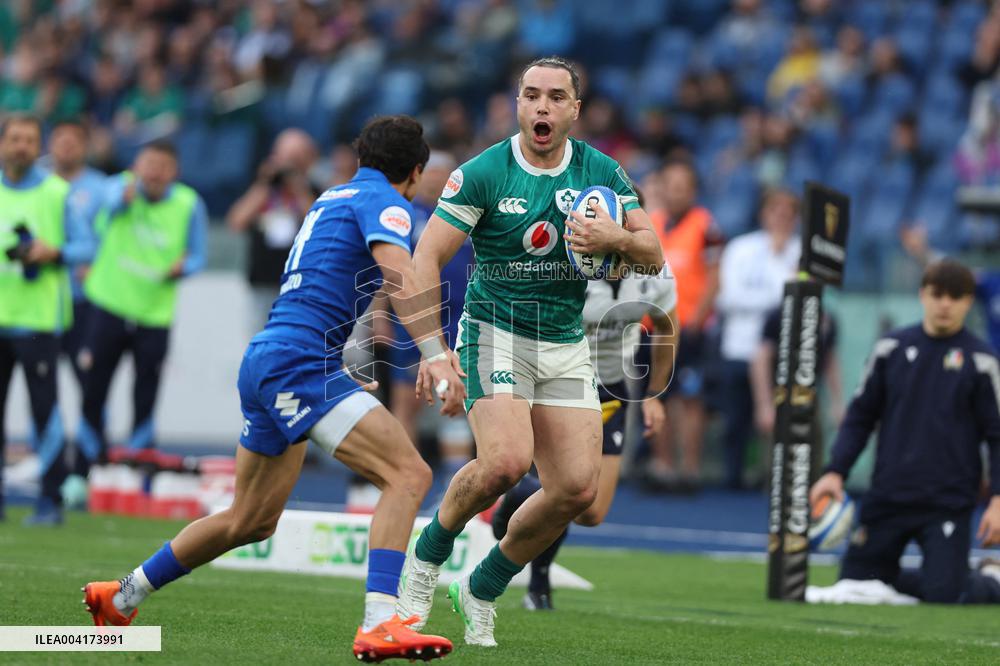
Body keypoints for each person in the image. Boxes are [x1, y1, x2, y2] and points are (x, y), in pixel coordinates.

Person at [83, 116, 459, 662]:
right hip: (301, 362)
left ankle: (121, 595)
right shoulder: (388, 202)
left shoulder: (333, 195)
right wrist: (435, 353)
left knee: (251, 519)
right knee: (410, 473)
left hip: (270, 357)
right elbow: (399, 274)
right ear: (416, 172)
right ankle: (380, 623)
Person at [396, 56, 664, 647]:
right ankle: (425, 559)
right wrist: (431, 348)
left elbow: (652, 254)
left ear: (574, 110)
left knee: (576, 490)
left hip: (566, 340)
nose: (541, 107)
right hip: (494, 331)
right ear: (518, 105)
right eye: (530, 95)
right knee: (505, 463)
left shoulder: (603, 174)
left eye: (554, 97)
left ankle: (482, 587)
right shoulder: (483, 173)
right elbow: (424, 257)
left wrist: (613, 238)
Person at [492, 255, 678, 610]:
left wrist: (655, 393)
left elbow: (666, 324)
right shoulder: (562, 267)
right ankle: (539, 583)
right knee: (564, 488)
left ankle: (520, 492)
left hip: (611, 386)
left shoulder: (656, 271)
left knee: (591, 512)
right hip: (560, 381)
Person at [811, 259, 1000, 604]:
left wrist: (998, 500)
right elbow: (860, 417)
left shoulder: (982, 361)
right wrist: (835, 472)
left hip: (947, 502)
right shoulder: (890, 349)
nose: (945, 304)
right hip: (887, 497)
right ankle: (941, 576)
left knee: (945, 596)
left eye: (955, 296)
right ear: (922, 295)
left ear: (968, 302)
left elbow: (997, 436)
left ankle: (989, 578)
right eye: (937, 294)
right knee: (857, 586)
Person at [75, 141, 207, 472]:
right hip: (108, 305)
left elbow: (198, 255)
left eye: (163, 165)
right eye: (148, 163)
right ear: (136, 165)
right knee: (94, 387)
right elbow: (100, 218)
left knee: (145, 392)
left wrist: (183, 268)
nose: (154, 171)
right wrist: (122, 198)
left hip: (154, 313)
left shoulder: (189, 203)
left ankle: (138, 466)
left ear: (174, 172)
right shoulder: (118, 189)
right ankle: (86, 466)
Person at [0, 114, 93, 524]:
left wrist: (52, 252)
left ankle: (50, 501)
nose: (22, 146)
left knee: (44, 414)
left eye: (29, 140)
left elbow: (88, 245)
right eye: (14, 139)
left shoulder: (58, 192)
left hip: (38, 322)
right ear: (3, 144)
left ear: (38, 147)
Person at [385, 150, 474, 484]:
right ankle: (402, 475)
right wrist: (381, 313)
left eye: (444, 175)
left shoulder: (467, 214)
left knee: (458, 395)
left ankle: (459, 482)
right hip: (414, 316)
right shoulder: (404, 215)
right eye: (433, 174)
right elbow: (388, 269)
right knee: (406, 400)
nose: (438, 180)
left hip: (458, 316)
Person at [644, 159, 724, 490]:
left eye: (682, 187)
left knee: (691, 400)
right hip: (653, 327)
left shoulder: (706, 226)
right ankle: (662, 467)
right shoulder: (653, 223)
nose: (676, 193)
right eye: (671, 186)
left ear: (692, 191)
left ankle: (689, 470)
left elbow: (715, 278)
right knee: (656, 395)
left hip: (689, 328)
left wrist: (697, 320)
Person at [714, 187, 801, 489]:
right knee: (736, 419)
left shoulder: (801, 252)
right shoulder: (741, 248)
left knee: (779, 417)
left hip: (782, 349)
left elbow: (799, 300)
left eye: (788, 213)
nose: (781, 218)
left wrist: (777, 271)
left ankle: (771, 479)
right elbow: (729, 298)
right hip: (739, 345)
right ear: (764, 214)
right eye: (775, 211)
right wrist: (775, 296)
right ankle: (733, 479)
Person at [226, 129, 320, 334]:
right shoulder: (263, 190)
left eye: (295, 158)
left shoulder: (315, 191)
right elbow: (236, 221)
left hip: (302, 285)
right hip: (263, 282)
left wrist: (298, 187)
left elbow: (317, 224)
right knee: (261, 342)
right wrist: (264, 183)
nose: (288, 165)